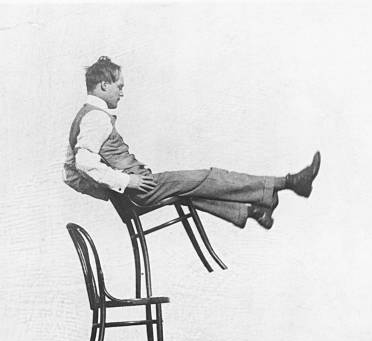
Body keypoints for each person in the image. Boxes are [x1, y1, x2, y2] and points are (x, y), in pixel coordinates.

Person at [64, 56, 321, 230]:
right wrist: (125, 183)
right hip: (140, 191)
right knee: (209, 177)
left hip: (137, 193)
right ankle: (289, 183)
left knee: (192, 189)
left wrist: (110, 192)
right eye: (119, 86)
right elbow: (83, 163)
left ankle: (253, 211)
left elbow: (69, 174)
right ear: (103, 85)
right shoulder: (96, 118)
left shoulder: (84, 116)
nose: (122, 92)